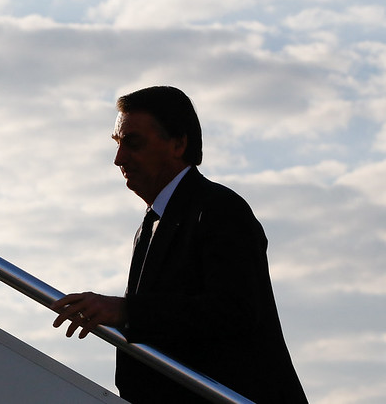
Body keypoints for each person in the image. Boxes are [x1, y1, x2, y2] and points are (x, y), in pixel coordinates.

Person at [51, 86, 307, 403]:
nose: (119, 158)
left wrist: (125, 311)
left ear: (178, 143)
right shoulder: (154, 222)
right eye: (118, 143)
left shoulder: (219, 210)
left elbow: (234, 310)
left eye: (133, 143)